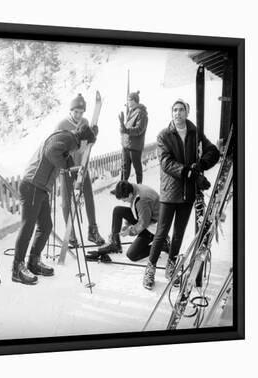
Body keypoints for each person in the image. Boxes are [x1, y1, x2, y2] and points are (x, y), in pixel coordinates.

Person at [142, 99, 220, 290]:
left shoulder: (195, 133)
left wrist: (201, 165)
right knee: (161, 233)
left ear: (187, 112)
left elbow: (213, 151)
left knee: (178, 234)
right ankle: (150, 270)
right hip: (170, 192)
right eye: (174, 110)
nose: (177, 113)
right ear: (172, 113)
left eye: (181, 110)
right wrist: (190, 173)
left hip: (188, 193)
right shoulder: (164, 135)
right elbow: (166, 162)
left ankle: (170, 268)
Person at [12, 124, 97, 285]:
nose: (86, 149)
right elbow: (51, 151)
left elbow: (60, 156)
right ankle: (17, 268)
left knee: (45, 226)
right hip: (33, 185)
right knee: (27, 226)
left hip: (40, 188)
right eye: (89, 145)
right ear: (84, 141)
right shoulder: (69, 139)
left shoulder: (68, 139)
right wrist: (66, 164)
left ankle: (33, 261)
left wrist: (70, 167)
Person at [56, 94, 105, 247]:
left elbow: (87, 144)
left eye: (81, 112)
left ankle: (93, 230)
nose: (78, 115)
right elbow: (56, 147)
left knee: (89, 196)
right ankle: (70, 234)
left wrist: (93, 137)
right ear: (71, 111)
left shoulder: (84, 122)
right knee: (66, 202)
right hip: (67, 167)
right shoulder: (62, 125)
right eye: (75, 112)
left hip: (82, 166)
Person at [94, 180, 169, 261]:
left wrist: (129, 231)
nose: (123, 201)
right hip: (147, 216)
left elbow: (143, 223)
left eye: (124, 199)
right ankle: (115, 244)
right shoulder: (132, 188)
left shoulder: (141, 201)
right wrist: (128, 224)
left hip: (153, 226)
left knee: (132, 255)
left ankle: (162, 245)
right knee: (118, 211)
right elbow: (136, 210)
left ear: (129, 195)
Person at [119, 91, 148, 184]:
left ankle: (140, 188)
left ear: (134, 101)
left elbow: (139, 129)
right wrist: (122, 125)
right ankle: (122, 188)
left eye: (129, 100)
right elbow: (126, 128)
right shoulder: (131, 111)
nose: (127, 103)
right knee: (124, 168)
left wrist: (125, 129)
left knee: (137, 169)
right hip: (126, 145)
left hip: (135, 147)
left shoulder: (141, 113)